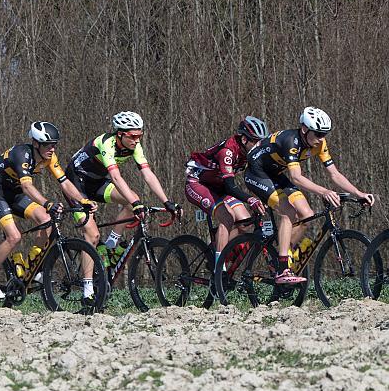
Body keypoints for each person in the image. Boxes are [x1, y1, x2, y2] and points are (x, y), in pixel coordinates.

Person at [244, 107, 376, 283]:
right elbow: (297, 178)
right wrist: (324, 191)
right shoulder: (291, 141)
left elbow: (334, 174)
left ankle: (282, 254)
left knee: (307, 215)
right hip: (257, 173)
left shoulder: (319, 143)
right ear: (305, 129)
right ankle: (283, 269)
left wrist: (359, 193)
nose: (322, 138)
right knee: (288, 212)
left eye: (325, 134)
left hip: (275, 174)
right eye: (319, 134)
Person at [65, 111, 181, 308]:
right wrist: (135, 204)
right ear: (120, 134)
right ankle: (87, 290)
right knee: (92, 235)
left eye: (140, 136)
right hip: (76, 183)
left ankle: (110, 246)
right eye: (133, 136)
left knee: (133, 199)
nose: (137, 140)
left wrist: (167, 201)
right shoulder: (106, 143)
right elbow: (117, 178)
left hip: (97, 182)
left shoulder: (134, 147)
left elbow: (148, 174)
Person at [0, 121, 96, 300]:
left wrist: (82, 200)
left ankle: (31, 267)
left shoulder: (50, 157)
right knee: (15, 236)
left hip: (15, 192)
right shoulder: (22, 154)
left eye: (54, 145)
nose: (52, 148)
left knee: (46, 219)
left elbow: (64, 182)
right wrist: (47, 202)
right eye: (48, 145)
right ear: (36, 143)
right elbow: (27, 187)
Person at [185, 117, 269, 269]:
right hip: (198, 184)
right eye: (255, 141)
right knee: (227, 217)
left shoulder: (249, 153)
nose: (259, 146)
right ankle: (219, 267)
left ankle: (216, 250)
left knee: (246, 223)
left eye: (261, 142)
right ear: (244, 139)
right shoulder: (228, 152)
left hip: (219, 187)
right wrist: (250, 199)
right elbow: (231, 187)